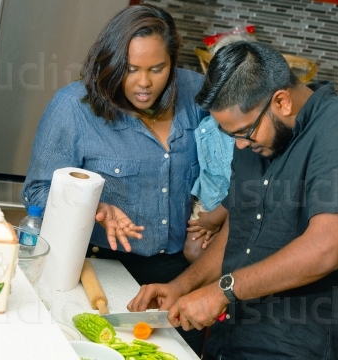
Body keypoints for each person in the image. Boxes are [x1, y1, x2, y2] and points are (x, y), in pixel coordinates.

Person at [127, 41, 338, 359]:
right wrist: (182, 286)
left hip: (300, 345)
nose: (239, 147)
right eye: (230, 134)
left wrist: (222, 291)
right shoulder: (254, 139)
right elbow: (236, 230)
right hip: (232, 336)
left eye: (245, 132)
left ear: (282, 101)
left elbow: (325, 249)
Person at [21, 4, 207, 355]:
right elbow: (37, 190)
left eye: (158, 68)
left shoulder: (197, 94)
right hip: (98, 269)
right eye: (131, 69)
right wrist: (92, 207)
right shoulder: (74, 108)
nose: (144, 82)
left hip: (180, 277)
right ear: (111, 62)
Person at [183, 114, 233, 263]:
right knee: (194, 251)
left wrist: (217, 217)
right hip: (212, 197)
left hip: (243, 200)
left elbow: (251, 183)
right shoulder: (207, 127)